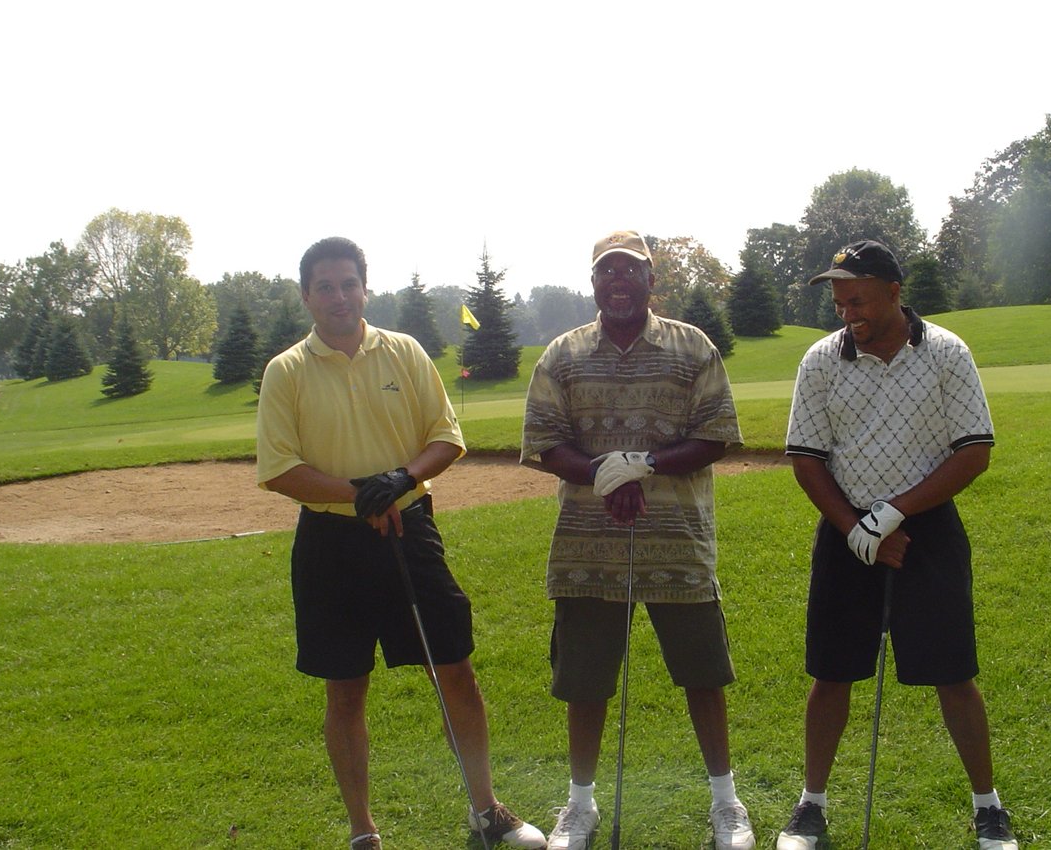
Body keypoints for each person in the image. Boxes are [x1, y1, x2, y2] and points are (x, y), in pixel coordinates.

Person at [256, 236, 546, 850]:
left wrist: (401, 480)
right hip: (331, 544)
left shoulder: (405, 352)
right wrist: (362, 493)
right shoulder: (286, 370)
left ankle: (485, 810)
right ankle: (364, 832)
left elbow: (446, 437)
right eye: (325, 286)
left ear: (365, 287)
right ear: (307, 295)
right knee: (346, 685)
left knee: (455, 670)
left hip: (410, 531)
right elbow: (279, 468)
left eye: (349, 283)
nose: (339, 296)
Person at [777, 240, 1018, 850]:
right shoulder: (822, 360)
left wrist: (893, 514)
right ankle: (811, 808)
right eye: (837, 298)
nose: (845, 309)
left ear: (893, 290)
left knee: (954, 672)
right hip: (845, 529)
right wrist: (858, 528)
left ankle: (988, 807)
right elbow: (806, 459)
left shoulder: (945, 353)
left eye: (855, 297)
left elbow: (974, 452)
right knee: (831, 673)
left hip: (926, 528)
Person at [521, 230, 756, 850]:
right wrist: (604, 472)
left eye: (630, 271)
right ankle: (579, 806)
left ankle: (726, 803)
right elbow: (544, 441)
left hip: (679, 543)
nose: (617, 282)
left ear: (652, 279)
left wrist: (641, 465)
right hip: (587, 548)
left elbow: (716, 435)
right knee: (586, 680)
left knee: (703, 676)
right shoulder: (564, 355)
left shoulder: (691, 346)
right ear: (593, 283)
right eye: (606, 273)